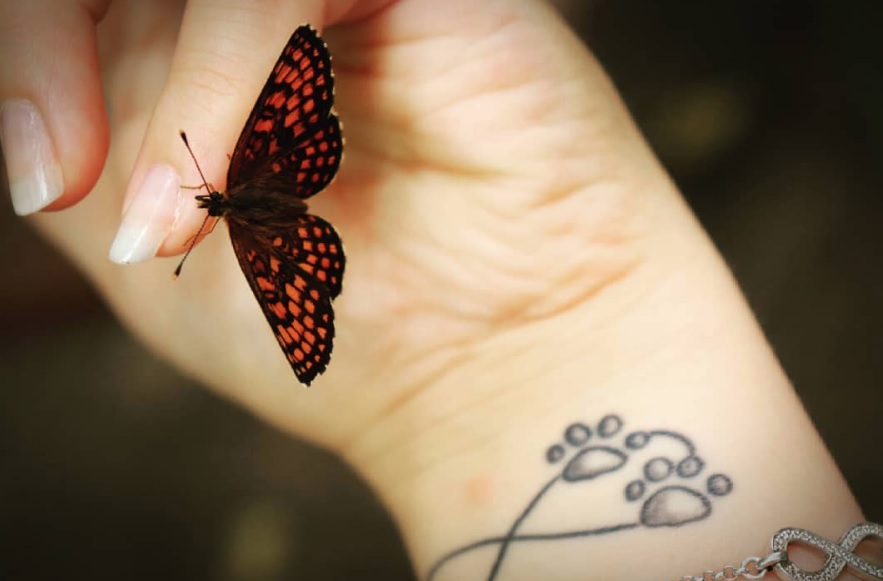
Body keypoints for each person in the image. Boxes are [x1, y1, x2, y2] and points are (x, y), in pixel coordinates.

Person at [1, 0, 871, 579]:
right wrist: (488, 380)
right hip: (303, 194)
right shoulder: (234, 221)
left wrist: (593, 326)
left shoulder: (239, 224)